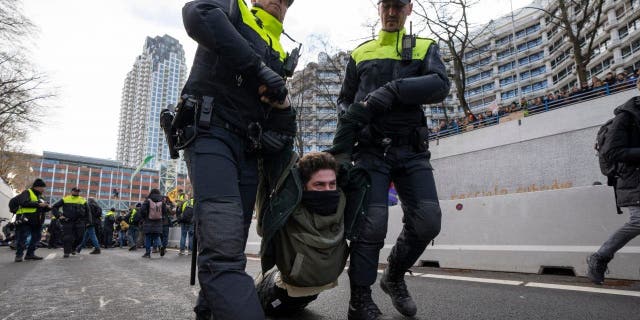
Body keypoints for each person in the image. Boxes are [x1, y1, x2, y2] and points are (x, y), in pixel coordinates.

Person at [328, 0, 450, 318]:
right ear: (379, 8)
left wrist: (395, 90)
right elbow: (344, 100)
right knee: (371, 226)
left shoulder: (424, 47)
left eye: (398, 6)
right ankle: (360, 300)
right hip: (370, 152)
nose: (392, 13)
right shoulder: (360, 53)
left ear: (409, 8)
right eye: (387, 6)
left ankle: (393, 276)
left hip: (411, 151)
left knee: (428, 221)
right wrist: (351, 117)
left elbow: (440, 84)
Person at [180, 0, 298, 318]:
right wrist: (257, 68)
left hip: (248, 151)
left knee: (231, 245)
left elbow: (283, 122)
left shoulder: (282, 51)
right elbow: (197, 13)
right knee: (223, 252)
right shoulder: (233, 7)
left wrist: (283, 114)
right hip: (210, 133)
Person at [255, 152, 350, 316]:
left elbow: (262, 229)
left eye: (331, 184)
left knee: (255, 292)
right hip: (317, 287)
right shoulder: (344, 203)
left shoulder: (288, 210)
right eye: (319, 184)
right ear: (303, 186)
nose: (328, 190)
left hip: (283, 293)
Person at [588, 78, 640, 285]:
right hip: (633, 179)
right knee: (639, 221)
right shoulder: (626, 116)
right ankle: (600, 257)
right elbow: (612, 152)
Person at [12, 178, 51, 262]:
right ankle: (19, 255)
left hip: (37, 221)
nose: (44, 189)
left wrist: (47, 207)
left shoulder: (40, 196)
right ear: (37, 187)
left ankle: (30, 254)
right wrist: (38, 204)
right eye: (43, 187)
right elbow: (23, 203)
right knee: (23, 237)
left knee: (36, 238)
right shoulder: (27, 192)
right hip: (26, 220)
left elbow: (40, 208)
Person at [51, 187, 91, 258]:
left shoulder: (83, 200)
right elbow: (54, 207)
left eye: (78, 191)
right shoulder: (65, 199)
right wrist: (59, 215)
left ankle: (73, 248)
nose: (76, 192)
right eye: (75, 191)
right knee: (67, 237)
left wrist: (88, 222)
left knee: (80, 237)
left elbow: (88, 212)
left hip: (80, 222)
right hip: (68, 221)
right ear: (71, 191)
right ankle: (66, 252)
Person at [140, 189, 169, 258]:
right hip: (158, 222)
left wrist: (145, 217)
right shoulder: (162, 201)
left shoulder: (148, 200)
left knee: (148, 237)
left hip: (148, 221)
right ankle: (161, 246)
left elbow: (142, 210)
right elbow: (165, 211)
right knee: (156, 236)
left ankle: (147, 253)